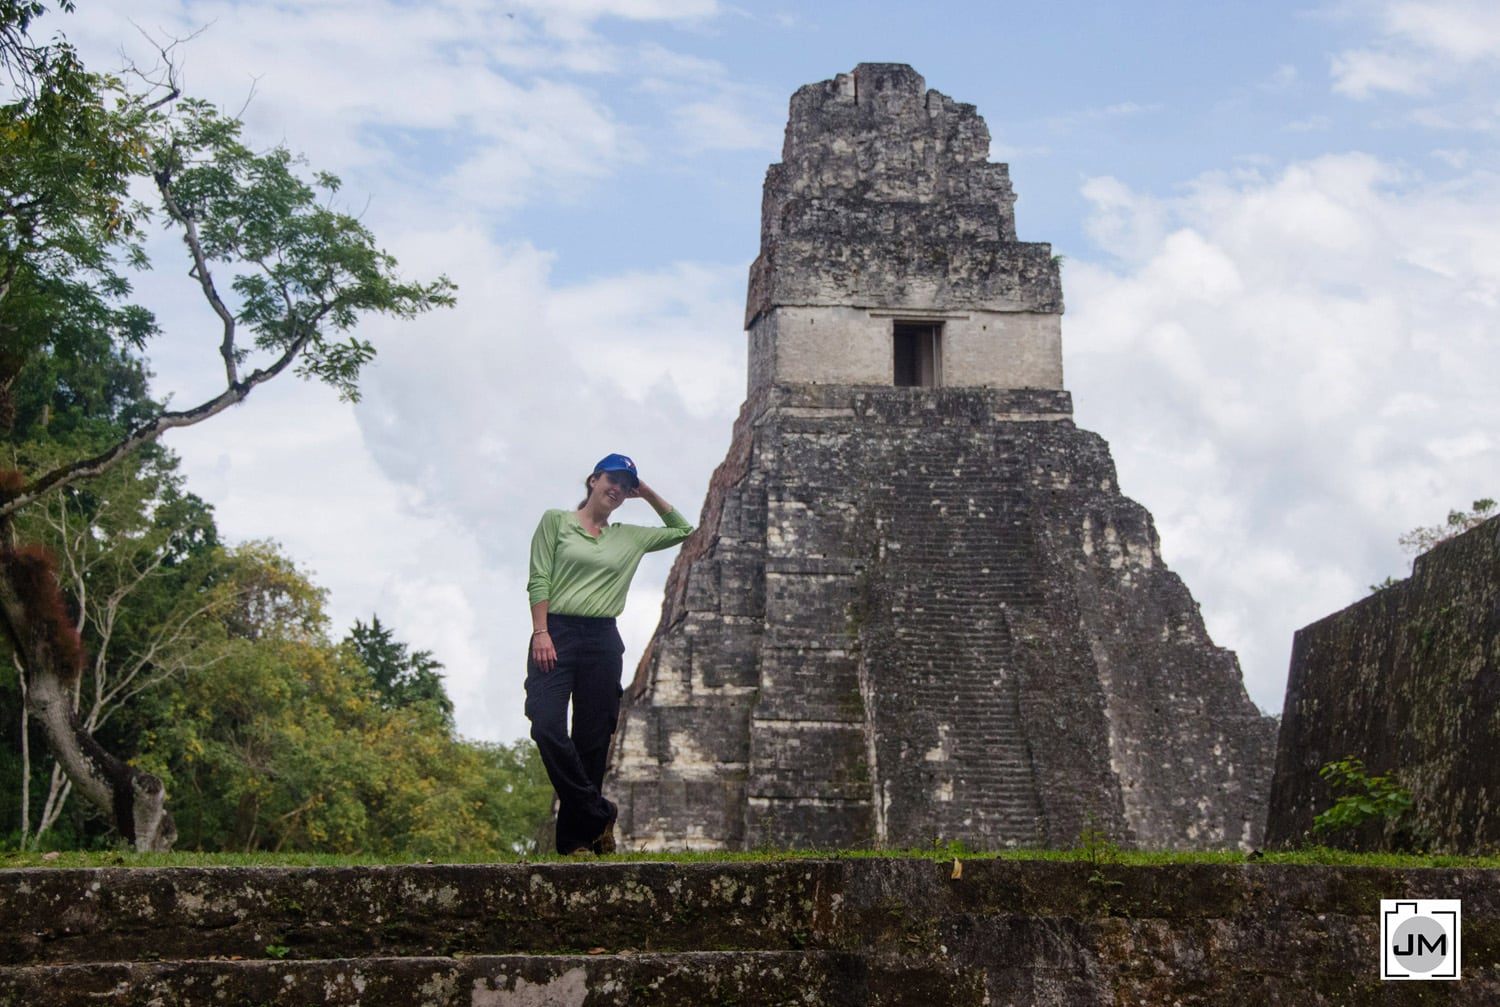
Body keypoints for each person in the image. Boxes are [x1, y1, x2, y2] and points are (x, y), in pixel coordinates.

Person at [524, 453, 694, 855]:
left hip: (602, 640)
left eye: (624, 484)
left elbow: (683, 528)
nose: (615, 489)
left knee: (593, 740)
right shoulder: (556, 521)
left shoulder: (629, 536)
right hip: (556, 632)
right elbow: (538, 578)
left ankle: (577, 842)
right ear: (593, 480)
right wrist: (541, 631)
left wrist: (646, 491)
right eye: (611, 480)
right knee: (545, 724)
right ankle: (599, 810)